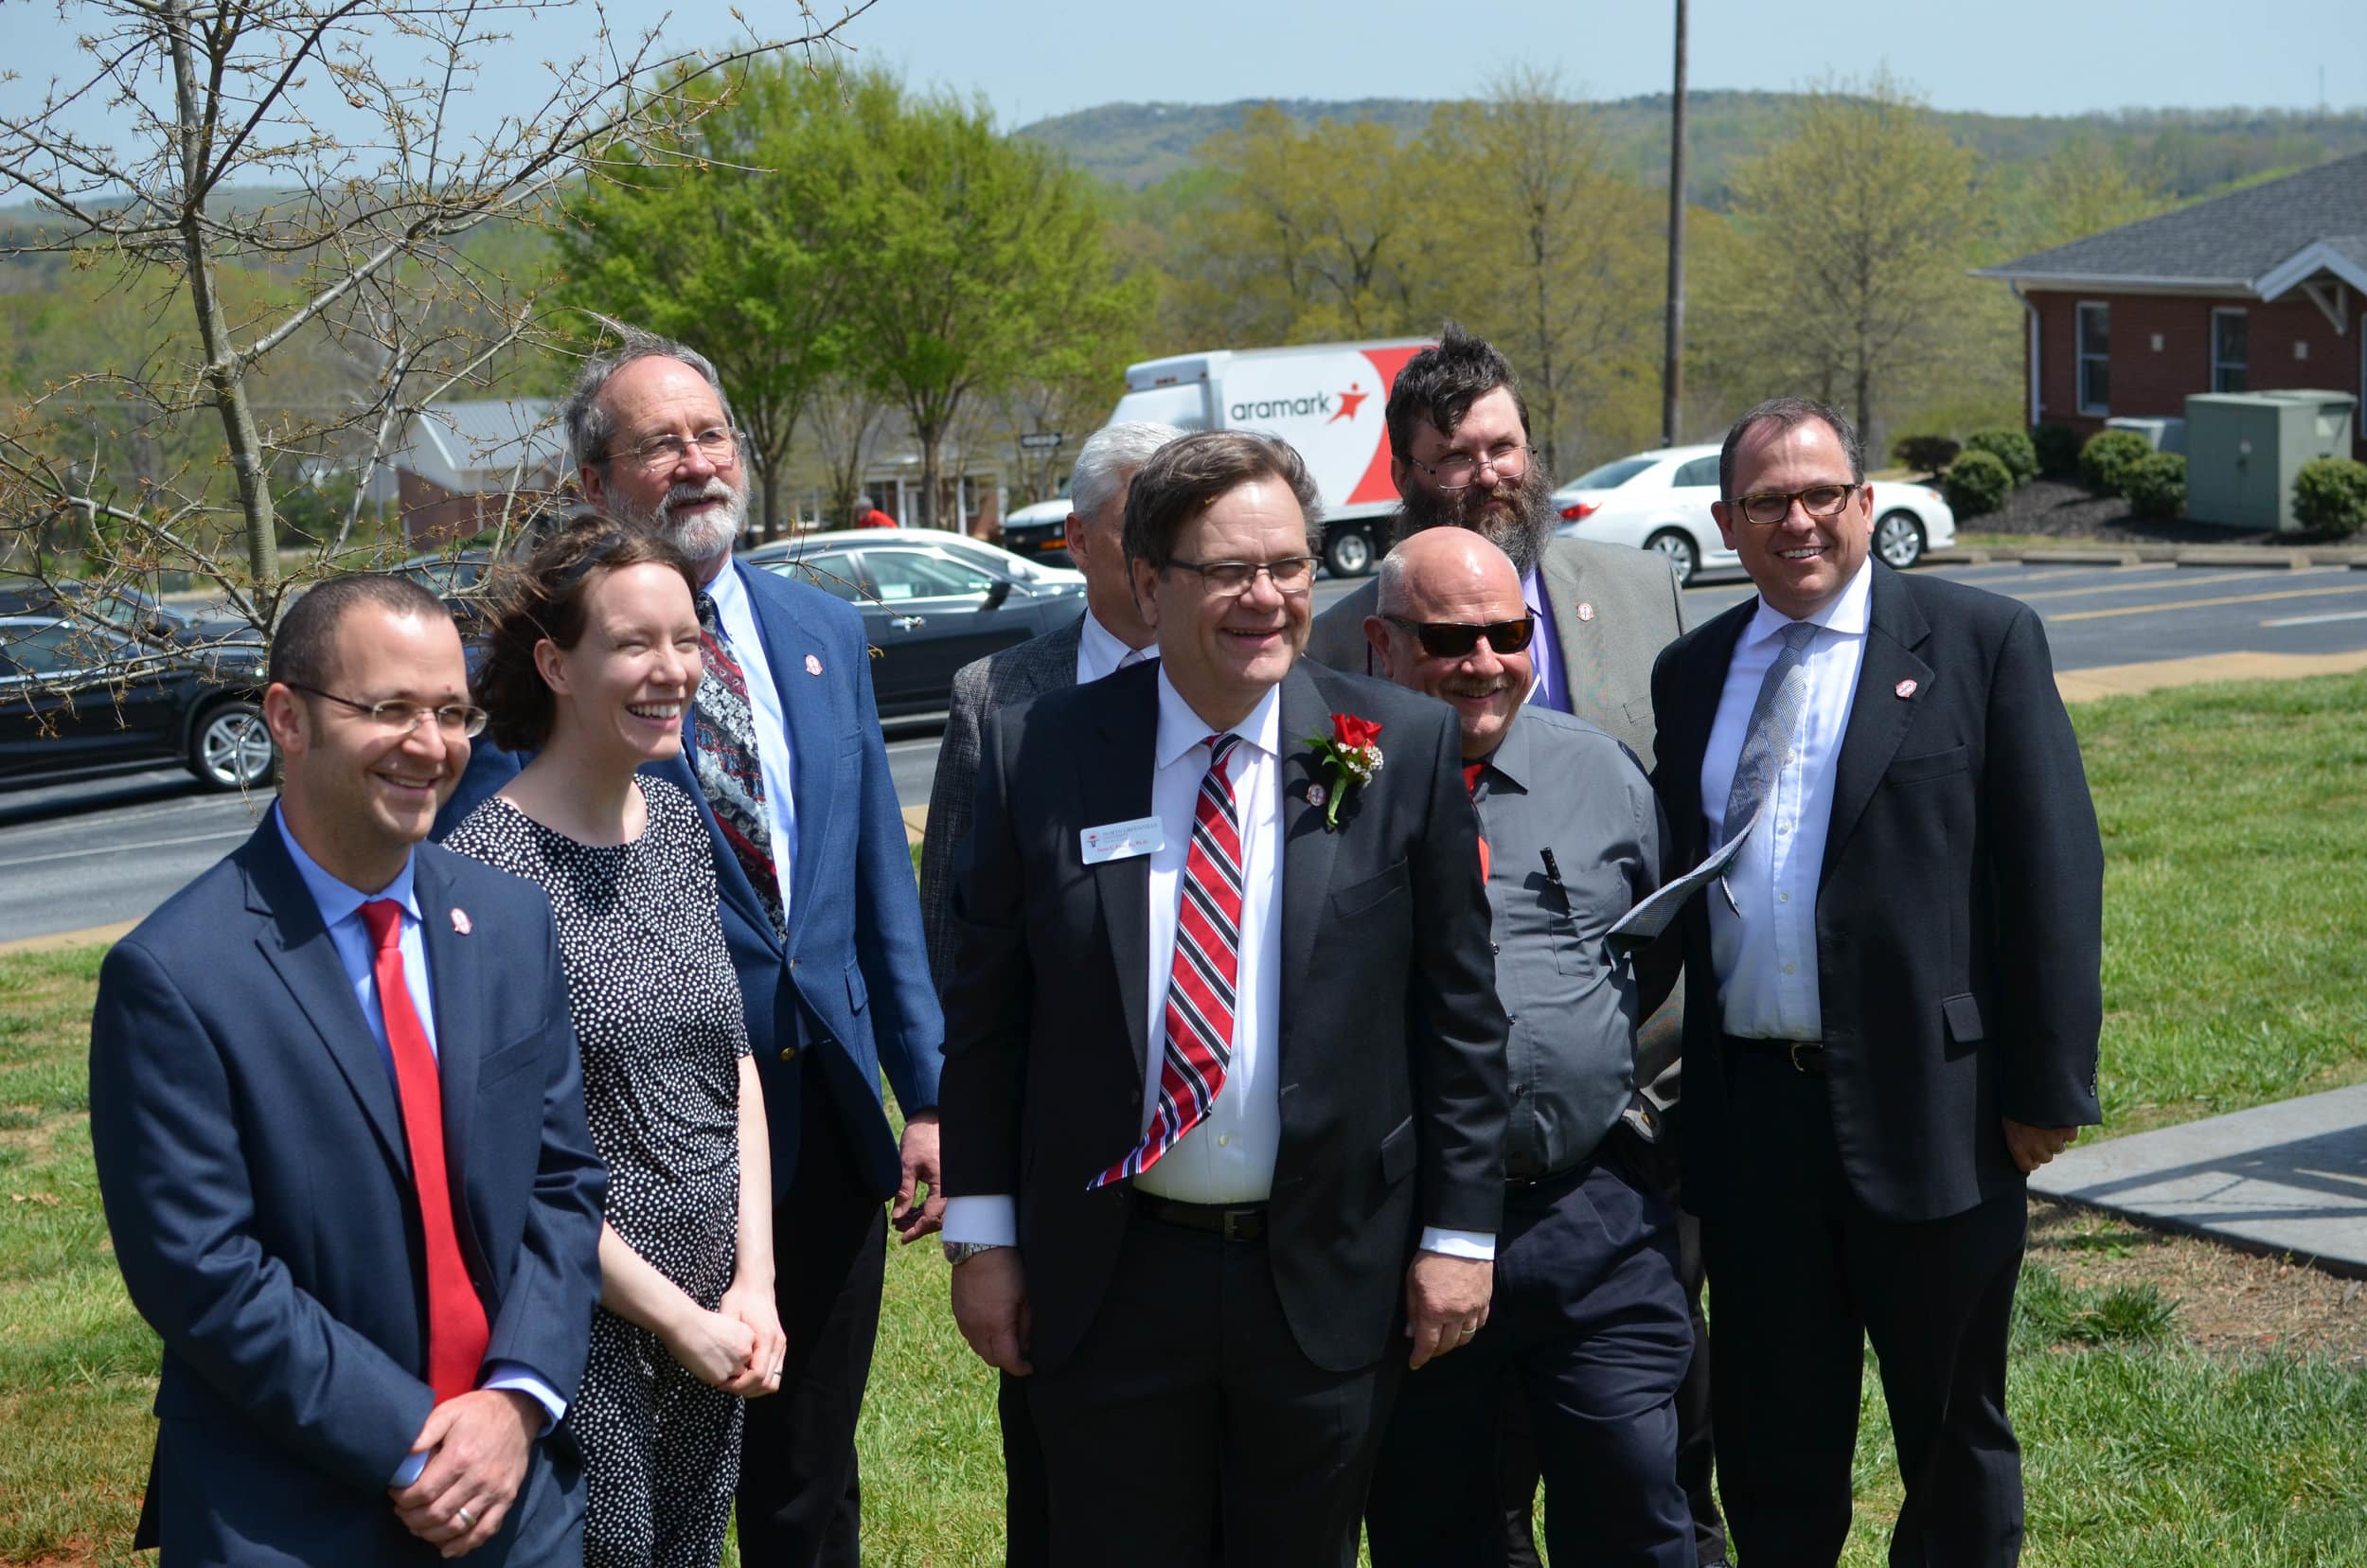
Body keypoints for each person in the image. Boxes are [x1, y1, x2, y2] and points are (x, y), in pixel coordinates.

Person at [938, 429, 1510, 1568]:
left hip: (1324, 1273)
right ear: (1150, 585)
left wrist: (1457, 1236)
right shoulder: (1044, 751)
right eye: (1229, 571)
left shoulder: (1393, 746)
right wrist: (983, 1237)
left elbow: (1457, 1021)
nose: (1268, 599)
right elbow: (992, 1017)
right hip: (1110, 1273)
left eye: (1291, 568)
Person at [436, 329, 944, 1568]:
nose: (696, 462)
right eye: (659, 443)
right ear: (598, 483)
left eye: (710, 434)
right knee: (644, 1495)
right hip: (619, 1150)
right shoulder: (525, 686)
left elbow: (879, 873)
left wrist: (927, 1092)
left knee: (809, 1469)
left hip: (816, 1125)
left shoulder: (821, 631)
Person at [1646, 397, 2103, 1566]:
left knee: (1951, 1440)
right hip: (1753, 1121)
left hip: (1937, 1111)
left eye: (1818, 495)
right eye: (1765, 502)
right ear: (1725, 523)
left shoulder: (1979, 640)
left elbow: (2052, 870)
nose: (1795, 521)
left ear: (1861, 503)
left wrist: (2044, 1087)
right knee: (1771, 1441)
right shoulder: (1692, 672)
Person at [1305, 325, 1725, 1564]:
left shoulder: (1639, 592)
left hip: (1626, 1147)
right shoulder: (1336, 656)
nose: (1488, 474)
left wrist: (1639, 1091)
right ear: (1408, 474)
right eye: (1457, 457)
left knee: (1652, 1467)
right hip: (1422, 1180)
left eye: (1505, 447)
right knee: (1449, 1490)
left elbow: (1670, 879)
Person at [89, 574, 607, 1564]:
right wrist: (410, 1444)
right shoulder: (174, 975)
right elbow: (202, 1271)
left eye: (452, 712)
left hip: (514, 1494)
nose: (431, 744)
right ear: (286, 717)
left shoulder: (506, 924)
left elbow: (560, 1183)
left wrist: (514, 1404)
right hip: (292, 1506)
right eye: (388, 710)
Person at [443, 519, 785, 1568]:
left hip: (717, 1312)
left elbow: (733, 1067)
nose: (673, 670)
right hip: (583, 1323)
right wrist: (676, 1318)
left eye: (687, 640)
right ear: (553, 664)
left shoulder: (679, 827)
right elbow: (506, 1162)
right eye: (634, 644)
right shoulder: (484, 872)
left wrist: (754, 1282)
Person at [1360, 529, 1696, 1568]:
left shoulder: (1598, 772)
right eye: (1448, 638)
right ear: (1380, 644)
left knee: (1640, 1495)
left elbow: (1658, 942)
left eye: (1506, 633)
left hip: (1589, 1208)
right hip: (1402, 1235)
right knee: (1440, 1526)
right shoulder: (1327, 780)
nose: (1482, 660)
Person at [916, 418, 1181, 1565]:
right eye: (1144, 530)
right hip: (1062, 1170)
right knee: (1067, 1493)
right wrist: (983, 1223)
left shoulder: (1276, 676)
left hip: (1242, 1178)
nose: (1174, 558)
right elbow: (960, 953)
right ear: (1077, 540)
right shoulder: (1000, 697)